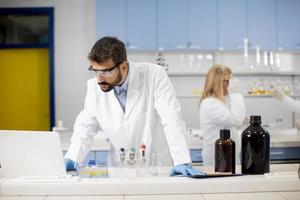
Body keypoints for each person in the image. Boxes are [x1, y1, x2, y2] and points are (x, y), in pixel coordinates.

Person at [64, 36, 203, 176]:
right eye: (95, 71)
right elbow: (85, 126)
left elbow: (171, 117)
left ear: (123, 67)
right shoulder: (94, 87)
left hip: (156, 166)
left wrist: (181, 159)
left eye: (106, 72)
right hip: (120, 168)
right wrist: (72, 156)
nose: (99, 79)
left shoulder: (154, 75)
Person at [199, 65, 246, 166]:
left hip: (229, 153)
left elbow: (235, 121)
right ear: (218, 83)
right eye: (228, 80)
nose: (230, 84)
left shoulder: (223, 100)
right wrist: (235, 93)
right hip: (218, 156)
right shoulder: (210, 103)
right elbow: (235, 120)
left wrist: (244, 119)